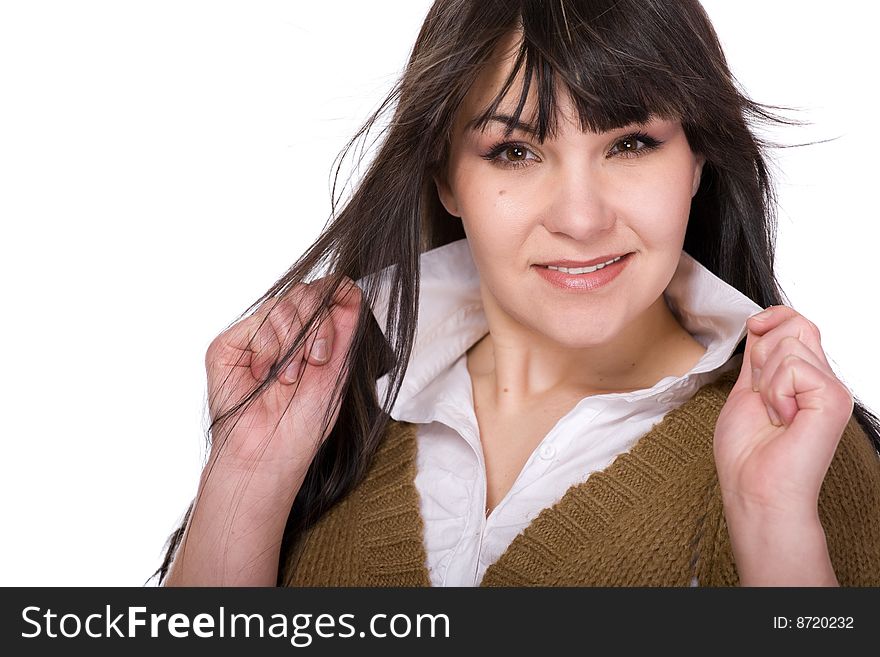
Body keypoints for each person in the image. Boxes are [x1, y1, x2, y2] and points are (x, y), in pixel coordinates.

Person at [154, 0, 880, 587]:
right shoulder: (331, 411)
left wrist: (770, 520)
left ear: (697, 160)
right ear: (447, 178)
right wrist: (247, 471)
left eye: (629, 143)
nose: (580, 217)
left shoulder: (795, 454)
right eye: (515, 151)